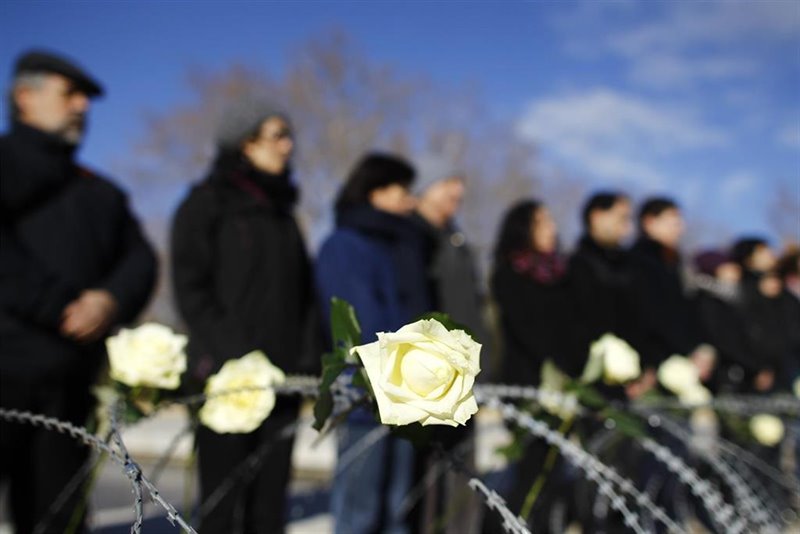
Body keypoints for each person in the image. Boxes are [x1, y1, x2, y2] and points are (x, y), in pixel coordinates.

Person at [0, 49, 157, 533]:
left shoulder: (99, 192)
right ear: (24, 96)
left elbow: (141, 258)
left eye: (86, 99)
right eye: (69, 94)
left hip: (69, 382)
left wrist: (108, 301)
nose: (82, 107)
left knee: (59, 515)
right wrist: (57, 304)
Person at [171, 98, 315, 533]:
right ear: (245, 144)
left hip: (283, 382)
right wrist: (236, 356)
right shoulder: (206, 204)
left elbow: (303, 297)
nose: (288, 146)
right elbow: (190, 287)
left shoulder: (284, 216)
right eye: (278, 135)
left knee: (269, 510)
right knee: (221, 504)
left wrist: (306, 363)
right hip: (225, 378)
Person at [315, 152, 430, 534]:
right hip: (365, 396)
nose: (409, 200)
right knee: (359, 514)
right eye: (401, 190)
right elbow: (357, 321)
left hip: (407, 395)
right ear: (374, 191)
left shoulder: (402, 247)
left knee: (397, 514)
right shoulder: (345, 245)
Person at [489, 199, 572, 531]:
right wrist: (557, 362)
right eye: (542, 222)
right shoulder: (510, 273)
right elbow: (527, 328)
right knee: (527, 471)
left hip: (561, 388)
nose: (551, 228)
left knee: (554, 474)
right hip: (526, 385)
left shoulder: (561, 274)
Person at [412, 171, 487, 533]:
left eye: (459, 197)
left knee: (461, 467)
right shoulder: (412, 237)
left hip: (464, 371)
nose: (452, 202)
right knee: (425, 473)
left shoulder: (458, 242)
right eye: (446, 192)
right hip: (424, 373)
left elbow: (474, 305)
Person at [629, 198, 712, 382]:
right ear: (649, 222)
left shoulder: (677, 265)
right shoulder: (636, 262)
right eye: (673, 221)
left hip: (681, 365)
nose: (680, 228)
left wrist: (699, 349)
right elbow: (647, 316)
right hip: (649, 367)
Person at [566, 191, 644, 383]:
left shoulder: (631, 266)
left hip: (633, 375)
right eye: (621, 218)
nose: (627, 228)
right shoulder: (575, 265)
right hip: (588, 376)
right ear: (597, 216)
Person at [731, 237, 800, 392]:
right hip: (755, 376)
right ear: (748, 260)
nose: (770, 254)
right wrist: (758, 367)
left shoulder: (787, 296)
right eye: (762, 251)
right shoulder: (740, 292)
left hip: (791, 367)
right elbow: (738, 334)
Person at [691, 250, 759, 394]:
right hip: (716, 372)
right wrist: (751, 363)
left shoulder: (734, 299)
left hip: (736, 368)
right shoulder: (706, 300)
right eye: (729, 266)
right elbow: (721, 337)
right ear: (714, 269)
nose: (736, 270)